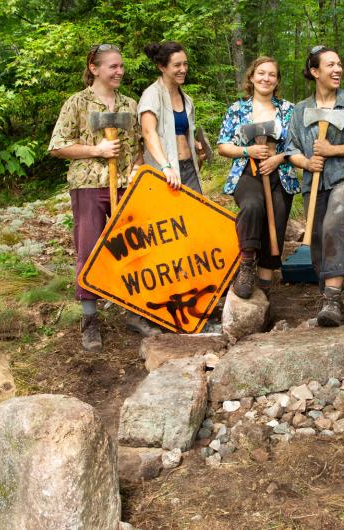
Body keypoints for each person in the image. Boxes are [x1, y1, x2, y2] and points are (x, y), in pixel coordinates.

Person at [48, 44, 158, 352]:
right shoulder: (77, 103)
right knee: (90, 248)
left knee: (134, 247)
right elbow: (57, 146)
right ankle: (90, 317)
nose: (119, 71)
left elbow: (138, 145)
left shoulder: (128, 103)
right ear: (94, 68)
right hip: (88, 186)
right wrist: (96, 150)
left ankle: (135, 312)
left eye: (121, 66)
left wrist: (138, 167)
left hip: (124, 187)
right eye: (113, 66)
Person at [285, 46, 344, 326]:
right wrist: (306, 162)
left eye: (339, 64)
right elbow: (290, 149)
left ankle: (334, 299)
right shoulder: (301, 110)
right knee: (315, 240)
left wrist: (331, 150)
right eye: (330, 65)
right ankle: (327, 295)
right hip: (313, 181)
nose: (337, 69)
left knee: (332, 226)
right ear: (315, 72)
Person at [216, 57, 297, 299]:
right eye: (261, 73)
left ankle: (264, 288)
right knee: (252, 207)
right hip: (247, 171)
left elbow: (299, 146)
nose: (266, 78)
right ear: (251, 77)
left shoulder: (289, 110)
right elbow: (223, 145)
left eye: (272, 74)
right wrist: (247, 150)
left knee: (276, 227)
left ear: (277, 80)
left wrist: (278, 157)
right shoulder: (237, 109)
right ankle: (247, 265)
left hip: (281, 175)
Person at [138, 41, 206, 193]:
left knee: (195, 215)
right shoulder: (152, 95)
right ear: (162, 67)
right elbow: (148, 133)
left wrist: (195, 145)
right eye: (177, 65)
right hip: (164, 173)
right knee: (171, 217)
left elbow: (178, 132)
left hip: (189, 168)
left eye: (185, 64)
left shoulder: (187, 99)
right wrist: (165, 166)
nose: (183, 69)